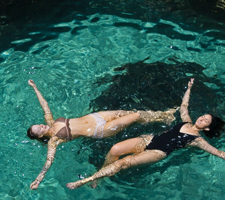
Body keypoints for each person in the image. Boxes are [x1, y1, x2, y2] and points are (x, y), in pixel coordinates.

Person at [66, 78, 225, 189]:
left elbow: (218, 153)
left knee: (124, 162)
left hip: (158, 152)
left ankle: (90, 180)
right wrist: (189, 89)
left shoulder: (197, 140)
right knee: (115, 149)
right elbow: (184, 106)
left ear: (206, 128)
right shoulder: (186, 121)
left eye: (205, 121)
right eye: (203, 116)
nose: (201, 119)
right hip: (149, 139)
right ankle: (103, 174)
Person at [26, 79, 176, 189]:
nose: (41, 126)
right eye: (39, 129)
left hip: (96, 117)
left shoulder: (50, 121)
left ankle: (162, 116)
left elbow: (44, 105)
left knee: (128, 113)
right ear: (40, 136)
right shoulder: (54, 141)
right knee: (135, 116)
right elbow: (49, 161)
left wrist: (35, 87)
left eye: (39, 125)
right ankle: (161, 117)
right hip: (100, 130)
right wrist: (39, 179)